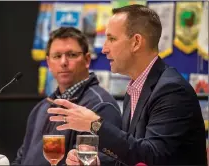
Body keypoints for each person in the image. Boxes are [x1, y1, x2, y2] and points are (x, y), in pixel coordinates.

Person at [47, 4, 207, 166]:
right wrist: (95, 164)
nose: (104, 49)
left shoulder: (172, 90)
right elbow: (131, 156)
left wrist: (94, 124)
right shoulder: (136, 88)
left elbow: (152, 157)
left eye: (112, 39)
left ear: (136, 42)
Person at [12, 27, 122, 165]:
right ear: (49, 63)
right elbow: (22, 159)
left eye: (71, 55)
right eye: (57, 56)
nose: (63, 62)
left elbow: (98, 160)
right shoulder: (40, 108)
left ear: (87, 60)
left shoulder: (101, 105)